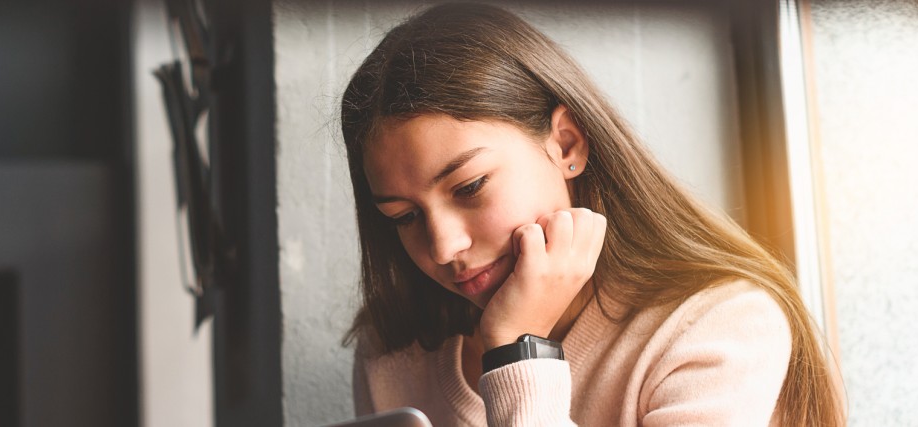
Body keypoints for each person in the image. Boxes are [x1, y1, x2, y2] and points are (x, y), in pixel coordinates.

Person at [338, 3, 846, 426]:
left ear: (566, 144)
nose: (444, 246)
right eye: (404, 216)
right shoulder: (395, 350)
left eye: (469, 187)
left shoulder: (718, 327)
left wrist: (519, 350)